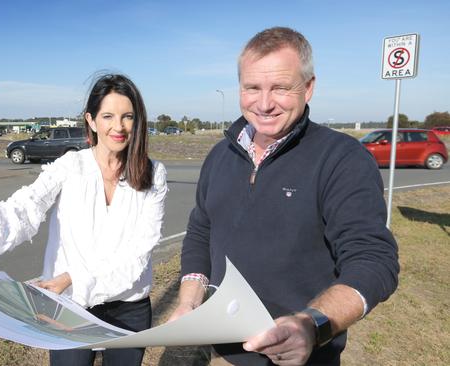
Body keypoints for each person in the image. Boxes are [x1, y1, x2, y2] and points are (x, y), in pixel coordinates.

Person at [168, 27, 399, 365]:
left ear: (308, 87)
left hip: (299, 357)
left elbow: (374, 262)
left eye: (280, 87)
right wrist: (189, 302)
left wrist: (312, 324)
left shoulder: (341, 158)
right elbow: (201, 235)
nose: (264, 103)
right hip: (218, 354)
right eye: (252, 88)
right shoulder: (220, 155)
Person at [0, 73, 168, 366]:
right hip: (69, 304)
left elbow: (136, 256)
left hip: (128, 308)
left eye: (128, 116)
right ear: (92, 121)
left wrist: (72, 278)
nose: (118, 126)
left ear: (138, 121)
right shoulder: (71, 166)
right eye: (108, 116)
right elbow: (19, 211)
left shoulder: (153, 173)